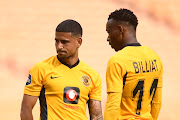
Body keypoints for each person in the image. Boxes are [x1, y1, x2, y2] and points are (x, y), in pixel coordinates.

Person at [20, 19, 103, 120]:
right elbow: (26, 108)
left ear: (79, 42)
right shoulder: (41, 69)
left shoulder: (92, 75)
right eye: (56, 41)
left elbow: (97, 116)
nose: (59, 46)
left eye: (64, 42)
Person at [104, 8, 163, 120]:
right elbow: (157, 102)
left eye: (109, 32)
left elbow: (113, 104)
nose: (108, 38)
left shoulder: (117, 61)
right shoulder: (155, 57)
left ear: (121, 30)